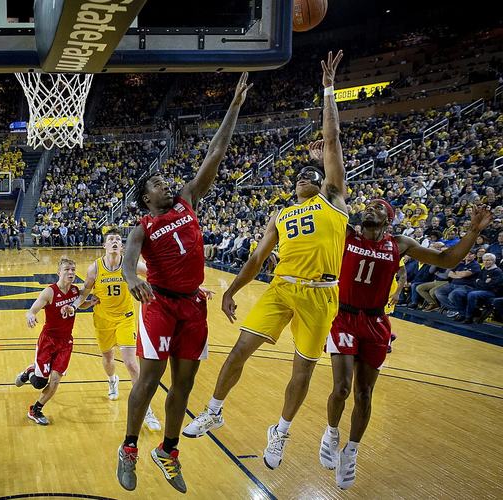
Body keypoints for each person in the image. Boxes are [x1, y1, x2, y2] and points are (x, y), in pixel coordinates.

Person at [182, 52, 349, 471]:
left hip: (322, 295)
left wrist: (328, 89)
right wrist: (232, 292)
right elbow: (257, 257)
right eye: (300, 176)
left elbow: (331, 142)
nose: (303, 178)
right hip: (282, 286)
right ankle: (215, 410)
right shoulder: (281, 214)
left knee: (302, 372)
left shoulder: (334, 199)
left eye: (311, 175)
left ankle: (281, 431)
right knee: (239, 349)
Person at [116, 72, 253, 494]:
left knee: (185, 383)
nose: (166, 183)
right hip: (160, 306)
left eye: (165, 180)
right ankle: (129, 447)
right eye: (157, 184)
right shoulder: (142, 225)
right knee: (148, 379)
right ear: (146, 199)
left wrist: (233, 107)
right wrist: (130, 280)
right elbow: (127, 262)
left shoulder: (189, 199)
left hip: (194, 306)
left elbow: (217, 151)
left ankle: (168, 451)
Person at [319, 201, 491, 489]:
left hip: (376, 324)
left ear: (389, 218)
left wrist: (473, 231)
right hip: (345, 318)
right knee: (341, 388)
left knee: (363, 394)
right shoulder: (347, 234)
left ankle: (351, 451)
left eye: (378, 207)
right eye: (368, 206)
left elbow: (447, 260)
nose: (370, 209)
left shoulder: (400, 244)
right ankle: (331, 431)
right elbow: (334, 193)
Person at [72, 227, 162, 431]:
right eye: (110, 239)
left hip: (126, 318)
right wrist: (73, 307)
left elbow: (156, 275)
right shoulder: (95, 268)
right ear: (104, 245)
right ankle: (112, 380)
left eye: (118, 239)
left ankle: (146, 411)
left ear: (122, 246)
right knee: (108, 358)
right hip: (103, 320)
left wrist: (190, 288)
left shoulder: (130, 264)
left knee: (131, 363)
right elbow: (84, 291)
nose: (114, 241)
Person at [13, 257, 97, 425]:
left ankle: (35, 409)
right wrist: (30, 316)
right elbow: (32, 310)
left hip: (66, 342)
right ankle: (29, 372)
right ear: (59, 272)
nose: (71, 272)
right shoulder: (49, 292)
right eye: (67, 269)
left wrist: (91, 302)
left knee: (56, 379)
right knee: (39, 383)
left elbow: (80, 305)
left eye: (73, 269)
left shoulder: (75, 292)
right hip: (48, 341)